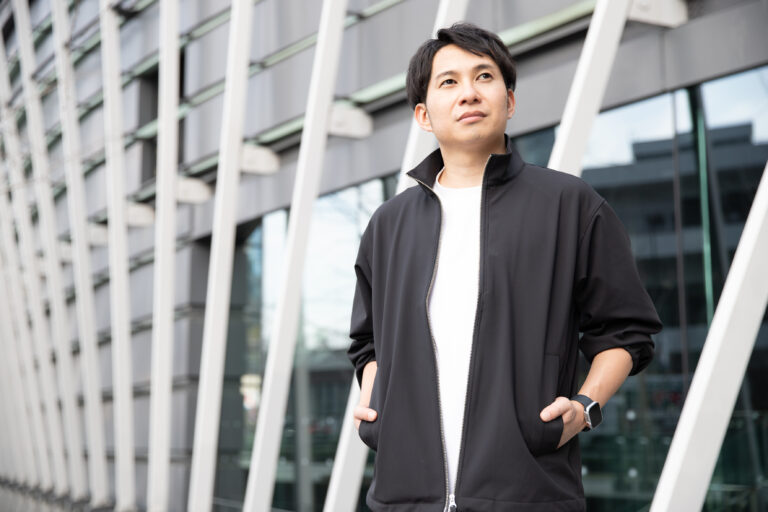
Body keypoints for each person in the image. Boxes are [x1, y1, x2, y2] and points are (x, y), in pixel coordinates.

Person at [347, 22, 662, 512]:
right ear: (423, 114)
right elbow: (367, 342)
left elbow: (627, 331)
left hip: (529, 493)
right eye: (448, 82)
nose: (469, 93)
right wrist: (377, 407)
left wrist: (585, 408)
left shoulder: (570, 205)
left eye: (484, 77)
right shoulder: (389, 224)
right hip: (403, 496)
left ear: (509, 101)